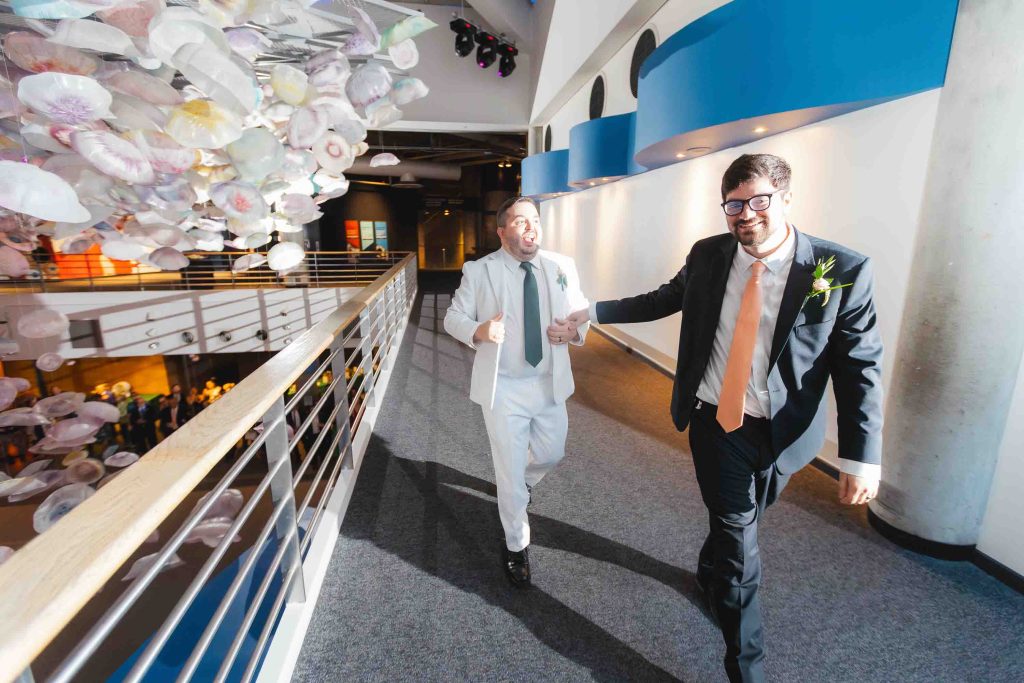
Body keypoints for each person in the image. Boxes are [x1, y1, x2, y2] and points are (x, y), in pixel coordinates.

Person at [567, 154, 883, 682]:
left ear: (785, 198)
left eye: (758, 201)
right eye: (733, 205)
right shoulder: (710, 254)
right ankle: (746, 668)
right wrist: (595, 311)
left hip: (786, 435)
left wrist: (861, 457)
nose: (745, 215)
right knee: (741, 544)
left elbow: (860, 368)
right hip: (718, 422)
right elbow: (667, 297)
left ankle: (708, 569)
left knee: (742, 520)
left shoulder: (842, 270)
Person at [444, 196, 591, 587]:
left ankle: (521, 484)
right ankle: (515, 545)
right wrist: (479, 331)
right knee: (507, 471)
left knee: (551, 452)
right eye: (522, 221)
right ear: (502, 230)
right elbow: (453, 318)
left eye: (536, 221)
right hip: (504, 388)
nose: (532, 228)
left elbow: (580, 311)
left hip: (549, 383)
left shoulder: (562, 266)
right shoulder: (480, 271)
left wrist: (574, 331)